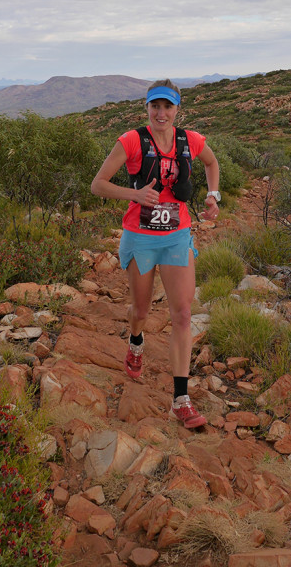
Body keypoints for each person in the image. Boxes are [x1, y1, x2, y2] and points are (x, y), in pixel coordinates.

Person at [91, 79, 221, 428]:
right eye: (155, 106)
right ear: (147, 108)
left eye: (168, 107)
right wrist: (133, 196)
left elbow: (212, 163)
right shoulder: (132, 140)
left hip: (177, 236)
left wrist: (213, 196)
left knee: (182, 314)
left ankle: (181, 400)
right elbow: (98, 184)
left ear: (178, 109)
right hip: (141, 237)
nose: (161, 113)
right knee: (142, 310)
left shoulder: (191, 141)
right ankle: (136, 342)